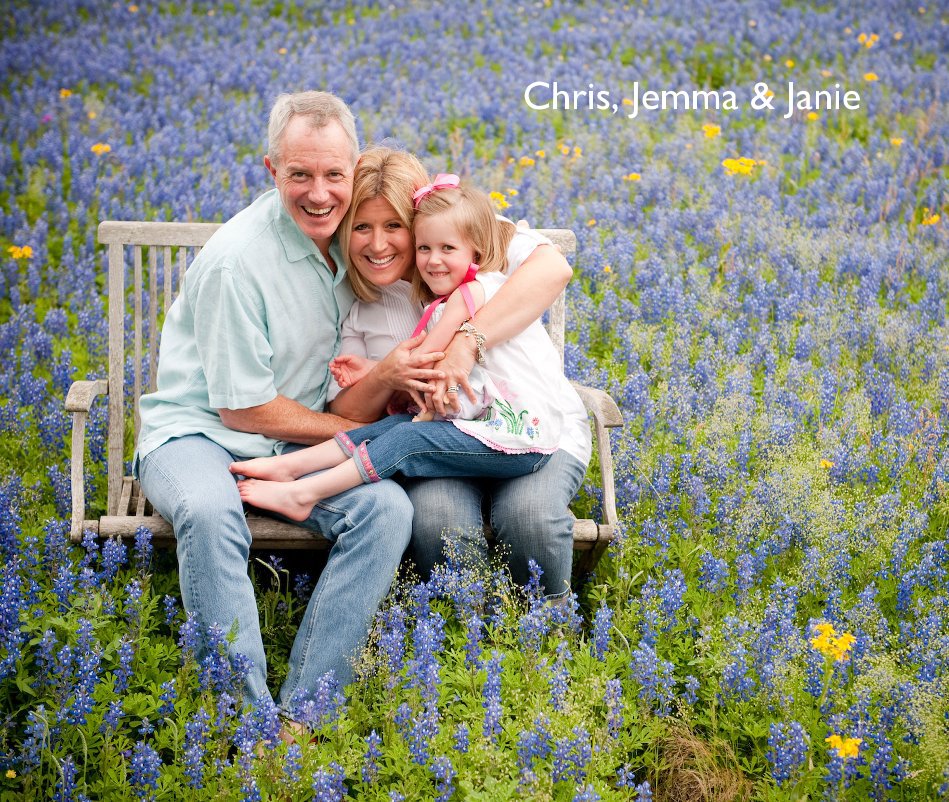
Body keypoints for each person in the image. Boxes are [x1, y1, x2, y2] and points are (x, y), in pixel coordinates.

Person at [134, 91, 416, 731]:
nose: (319, 194)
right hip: (200, 435)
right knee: (207, 511)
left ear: (355, 171)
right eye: (300, 175)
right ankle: (248, 722)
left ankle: (305, 715)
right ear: (271, 171)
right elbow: (245, 410)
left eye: (333, 176)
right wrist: (356, 432)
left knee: (386, 510)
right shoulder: (238, 262)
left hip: (291, 448)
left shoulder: (349, 237)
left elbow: (466, 238)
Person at [229, 176, 584, 522]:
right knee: (394, 427)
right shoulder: (442, 301)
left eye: (447, 249)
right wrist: (376, 371)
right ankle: (288, 467)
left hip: (518, 438)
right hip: (484, 429)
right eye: (425, 248)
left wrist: (379, 370)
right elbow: (424, 366)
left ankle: (303, 494)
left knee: (406, 439)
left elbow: (426, 358)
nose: (433, 260)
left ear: (474, 249)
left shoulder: (473, 292)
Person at [323, 147, 592, 601]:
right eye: (361, 228)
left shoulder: (470, 245)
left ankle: (546, 636)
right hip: (441, 439)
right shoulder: (358, 300)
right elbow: (344, 408)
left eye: (394, 227)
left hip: (531, 427)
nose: (378, 244)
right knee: (437, 520)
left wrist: (467, 341)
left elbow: (553, 266)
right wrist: (385, 375)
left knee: (528, 514)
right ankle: (473, 638)